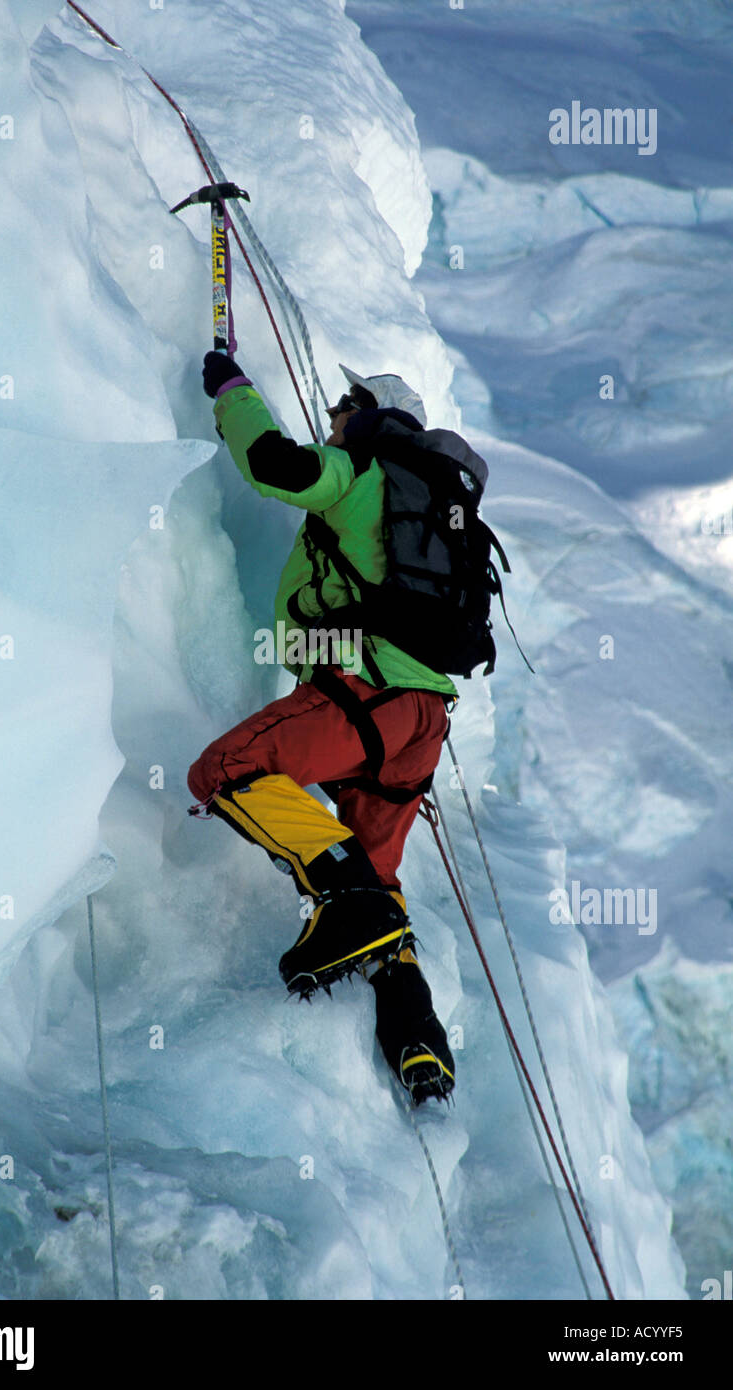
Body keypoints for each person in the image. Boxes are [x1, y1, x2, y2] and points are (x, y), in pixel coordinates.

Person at [187, 352, 456, 1104]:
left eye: (346, 402)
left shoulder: (358, 468)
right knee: (382, 871)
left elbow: (274, 465)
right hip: (422, 719)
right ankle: (418, 1044)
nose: (334, 411)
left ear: (369, 415)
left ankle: (350, 903)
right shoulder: (432, 512)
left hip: (368, 698)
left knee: (225, 770)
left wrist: (233, 392)